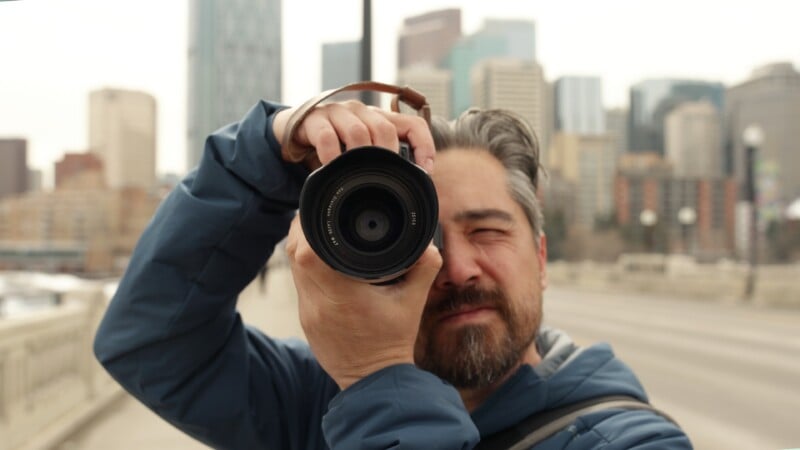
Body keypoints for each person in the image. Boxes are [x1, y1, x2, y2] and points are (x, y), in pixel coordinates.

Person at [93, 93, 691, 449]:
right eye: (420, 238)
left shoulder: (630, 442)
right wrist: (265, 157)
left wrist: (378, 374)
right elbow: (152, 341)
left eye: (486, 231)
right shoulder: (327, 400)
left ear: (539, 259)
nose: (454, 267)